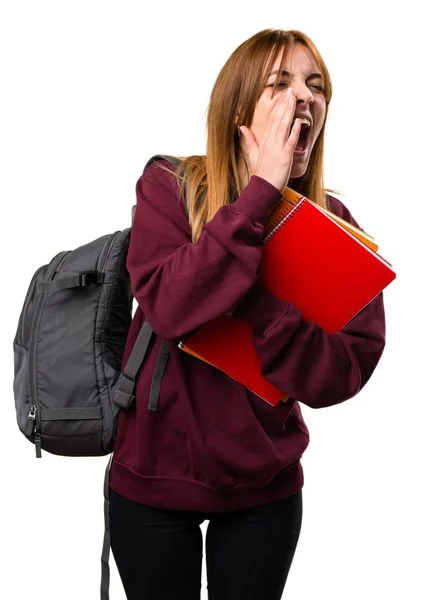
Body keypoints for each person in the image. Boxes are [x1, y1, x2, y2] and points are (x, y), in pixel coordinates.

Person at [109, 28, 386, 600]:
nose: (304, 97)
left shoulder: (332, 221)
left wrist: (258, 307)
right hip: (151, 484)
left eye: (316, 86)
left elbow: (343, 371)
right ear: (239, 105)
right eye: (280, 84)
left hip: (265, 491)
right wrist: (260, 191)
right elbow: (169, 306)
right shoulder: (169, 186)